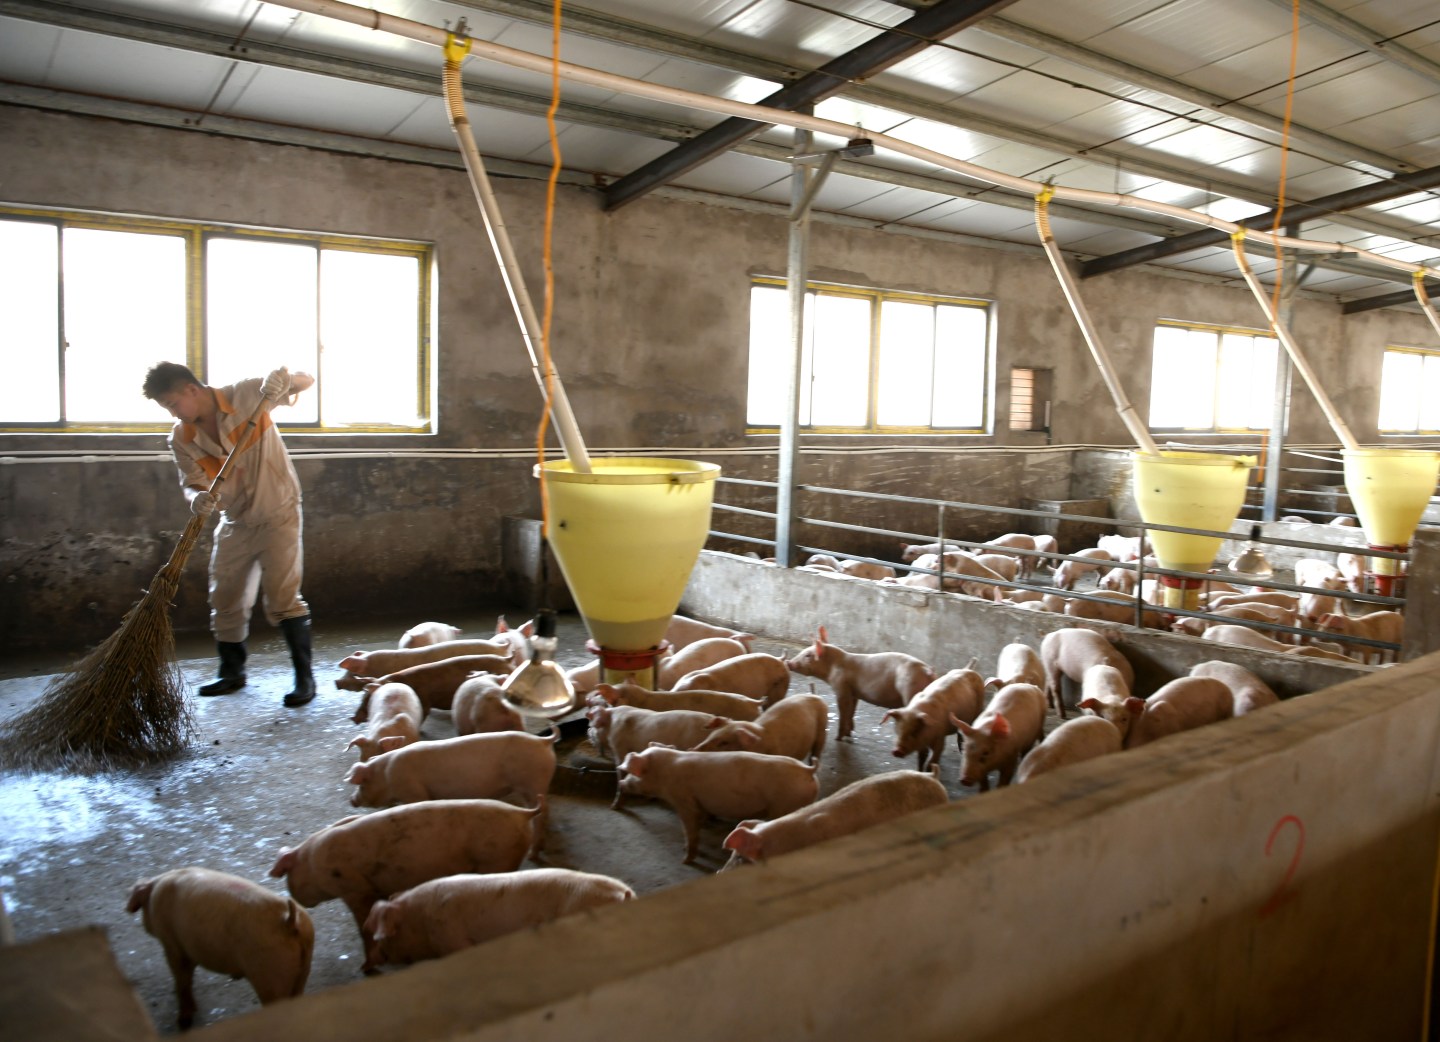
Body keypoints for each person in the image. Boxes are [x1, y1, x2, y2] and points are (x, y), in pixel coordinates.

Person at [142, 362, 318, 707]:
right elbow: (191, 483)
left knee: (282, 597)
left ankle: (304, 678)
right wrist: (197, 498)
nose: (173, 413)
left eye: (173, 404)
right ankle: (231, 672)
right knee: (225, 596)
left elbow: (306, 381)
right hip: (235, 521)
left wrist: (285, 381)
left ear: (191, 389)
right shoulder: (181, 437)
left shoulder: (249, 395)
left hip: (279, 513)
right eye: (167, 408)